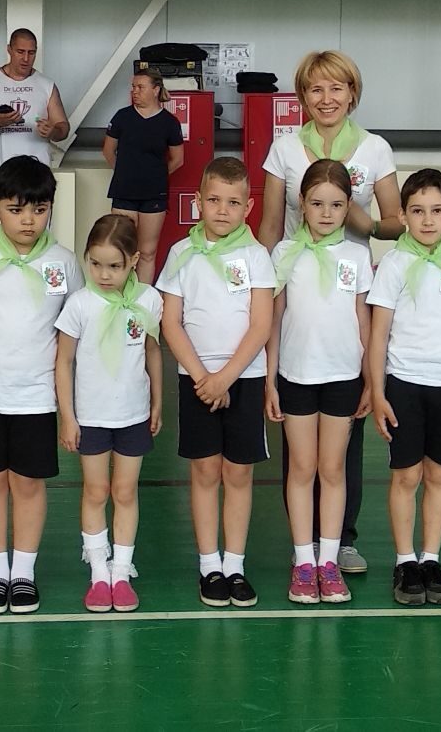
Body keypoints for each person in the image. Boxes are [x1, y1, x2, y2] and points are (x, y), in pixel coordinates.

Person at [259, 50, 403, 574]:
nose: (327, 99)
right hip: (296, 279)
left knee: (346, 438)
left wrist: (362, 220)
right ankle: (304, 544)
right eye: (316, 89)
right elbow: (270, 224)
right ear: (302, 96)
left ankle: (341, 538)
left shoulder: (374, 147)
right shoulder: (284, 148)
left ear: (352, 94)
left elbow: (396, 223)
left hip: (348, 291)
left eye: (337, 88)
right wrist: (260, 285)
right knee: (301, 446)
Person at [0, 156, 82, 615]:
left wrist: (69, 408)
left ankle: (23, 573)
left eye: (39, 209)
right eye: (15, 209)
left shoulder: (63, 262)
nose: (28, 220)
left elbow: (76, 331)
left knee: (28, 484)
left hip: (38, 397)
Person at [156, 157, 275, 608]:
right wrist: (203, 377)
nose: (222, 210)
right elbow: (171, 322)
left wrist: (225, 377)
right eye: (213, 200)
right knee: (205, 471)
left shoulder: (257, 257)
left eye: (233, 202)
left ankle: (235, 564)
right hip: (197, 380)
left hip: (243, 377)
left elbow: (261, 325)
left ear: (248, 207)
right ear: (198, 202)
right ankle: (210, 564)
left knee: (238, 473)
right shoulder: (179, 254)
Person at [367, 168, 441, 606]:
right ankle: (405, 560)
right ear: (402, 216)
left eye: (436, 210)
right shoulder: (394, 264)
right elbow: (378, 335)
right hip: (405, 382)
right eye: (417, 211)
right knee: (407, 474)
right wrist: (378, 392)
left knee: (439, 473)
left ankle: (431, 558)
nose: (427, 220)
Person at [265, 160, 372, 605]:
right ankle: (304, 561)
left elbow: (363, 319)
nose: (326, 213)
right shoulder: (284, 253)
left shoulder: (357, 257)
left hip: (343, 377)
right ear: (301, 204)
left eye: (336, 205)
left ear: (348, 207)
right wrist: (270, 380)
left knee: (333, 470)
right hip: (296, 376)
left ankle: (329, 561)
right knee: (302, 469)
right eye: (317, 203)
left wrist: (371, 379)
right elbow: (274, 320)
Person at [55, 215, 163, 613]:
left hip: (133, 415)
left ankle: (121, 571)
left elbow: (152, 352)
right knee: (96, 491)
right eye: (95, 264)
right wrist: (68, 417)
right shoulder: (79, 304)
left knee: (125, 492)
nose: (103, 274)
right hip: (92, 418)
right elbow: (63, 361)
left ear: (133, 261)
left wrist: (157, 401)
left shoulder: (148, 300)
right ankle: (99, 572)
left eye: (114, 266)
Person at [0, 28, 70, 237]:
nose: (25, 58)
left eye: (31, 53)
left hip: (37, 178)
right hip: (0, 174)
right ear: (9, 50)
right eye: (20, 52)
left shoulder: (46, 85)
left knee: (36, 237)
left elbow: (63, 128)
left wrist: (52, 131)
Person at [102, 70, 185, 284]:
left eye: (140, 87)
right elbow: (108, 151)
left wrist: (155, 174)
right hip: (124, 191)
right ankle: (119, 293)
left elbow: (178, 159)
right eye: (133, 87)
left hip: (154, 194)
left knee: (147, 252)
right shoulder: (122, 117)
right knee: (121, 249)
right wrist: (124, 172)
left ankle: (143, 296)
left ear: (155, 90)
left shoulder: (169, 122)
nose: (135, 91)